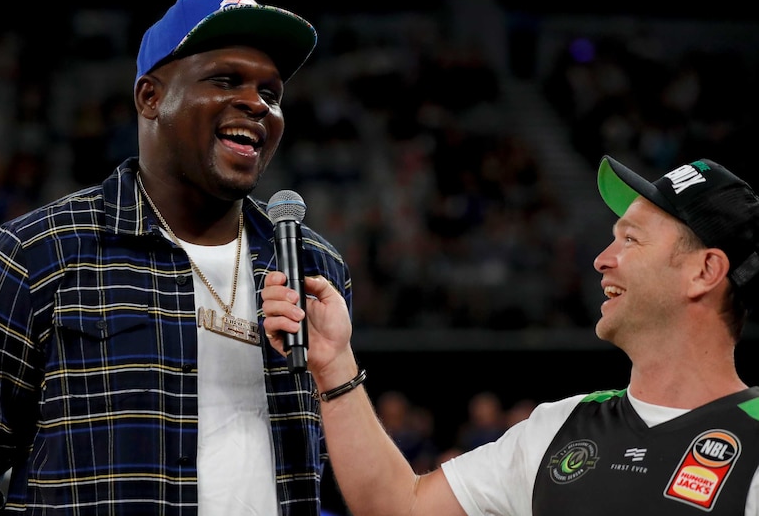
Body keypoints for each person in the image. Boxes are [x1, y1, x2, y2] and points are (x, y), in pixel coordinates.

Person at [0, 0, 352, 516]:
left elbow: (338, 474)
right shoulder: (38, 253)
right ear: (150, 97)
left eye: (272, 92)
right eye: (226, 80)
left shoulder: (312, 265)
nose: (258, 103)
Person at [262, 154, 759, 515]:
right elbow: (399, 505)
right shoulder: (558, 427)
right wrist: (334, 365)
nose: (602, 259)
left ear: (704, 271)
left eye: (630, 239)